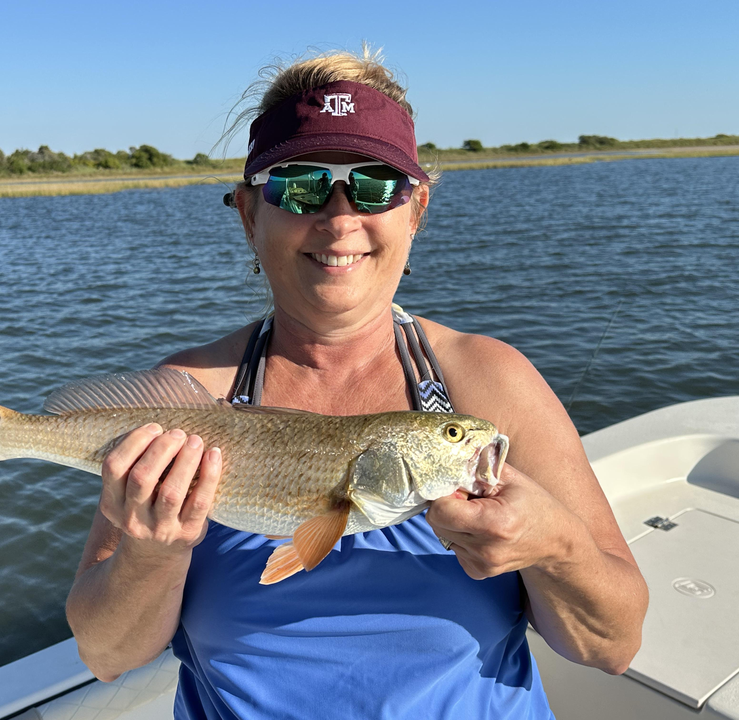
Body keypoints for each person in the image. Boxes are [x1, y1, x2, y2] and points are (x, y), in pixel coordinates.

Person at [66, 48, 648, 719]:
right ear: (250, 214)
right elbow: (107, 656)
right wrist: (149, 550)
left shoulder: (490, 380)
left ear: (416, 209)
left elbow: (613, 646)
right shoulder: (188, 396)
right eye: (301, 185)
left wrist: (556, 545)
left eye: (376, 184)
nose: (340, 218)